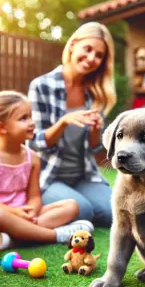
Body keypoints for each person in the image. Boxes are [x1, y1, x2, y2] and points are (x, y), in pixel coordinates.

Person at [27, 22, 116, 227]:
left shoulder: (95, 92)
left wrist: (96, 131)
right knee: (83, 209)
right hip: (49, 175)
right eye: (88, 49)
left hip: (83, 174)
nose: (92, 58)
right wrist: (63, 122)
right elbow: (35, 143)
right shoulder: (41, 86)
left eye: (99, 55)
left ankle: (70, 208)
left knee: (114, 212)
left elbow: (95, 148)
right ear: (74, 44)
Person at [0, 91, 94, 250]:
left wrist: (32, 211)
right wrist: (15, 212)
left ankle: (13, 238)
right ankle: (56, 236)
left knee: (71, 206)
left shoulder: (32, 158)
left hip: (28, 215)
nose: (31, 123)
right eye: (23, 118)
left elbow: (35, 196)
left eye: (30, 116)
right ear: (2, 127)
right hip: (5, 214)